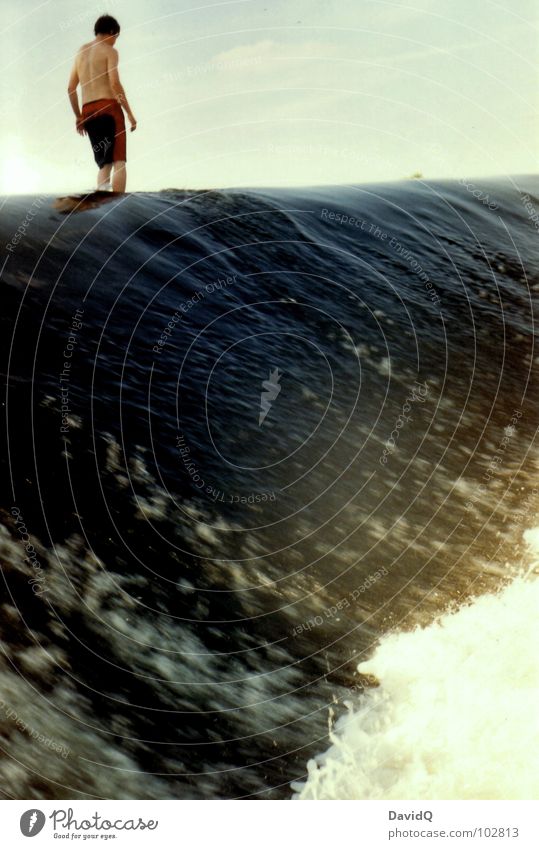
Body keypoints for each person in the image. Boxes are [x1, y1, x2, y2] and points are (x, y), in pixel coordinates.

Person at [67, 15, 137, 193]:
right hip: (109, 110)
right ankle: (117, 204)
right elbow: (114, 83)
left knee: (104, 163)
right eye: (116, 38)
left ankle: (103, 200)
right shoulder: (109, 51)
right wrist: (129, 113)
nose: (115, 42)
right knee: (119, 160)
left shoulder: (80, 52)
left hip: (88, 111)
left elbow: (70, 89)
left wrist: (78, 117)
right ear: (112, 32)